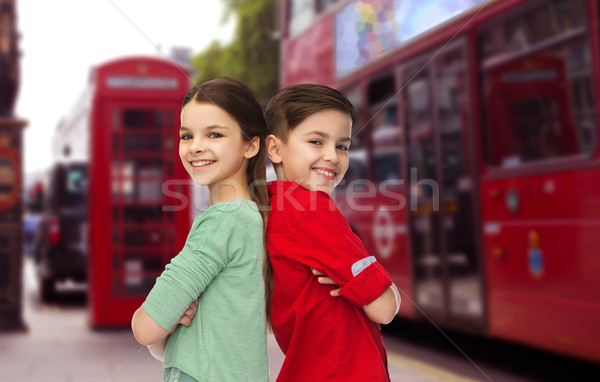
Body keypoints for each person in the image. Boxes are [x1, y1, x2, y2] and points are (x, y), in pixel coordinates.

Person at [131, 77, 270, 381]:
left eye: (214, 134)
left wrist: (160, 317)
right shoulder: (252, 216)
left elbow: (145, 328)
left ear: (251, 145)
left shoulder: (223, 220)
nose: (195, 147)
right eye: (186, 136)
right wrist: (171, 320)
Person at [263, 84, 401, 381]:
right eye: (316, 141)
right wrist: (389, 290)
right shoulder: (313, 211)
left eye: (342, 146)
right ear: (274, 148)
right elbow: (384, 307)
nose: (332, 157)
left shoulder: (271, 207)